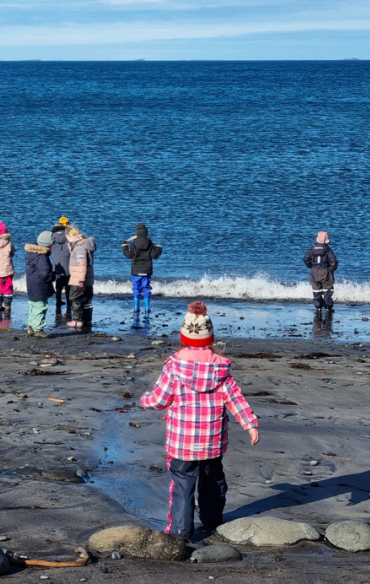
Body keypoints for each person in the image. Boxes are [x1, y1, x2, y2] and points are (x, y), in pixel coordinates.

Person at [140, 302, 259, 541]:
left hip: (182, 441)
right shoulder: (220, 368)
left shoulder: (174, 366)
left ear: (184, 337)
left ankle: (181, 530)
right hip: (212, 440)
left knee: (182, 484)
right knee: (212, 479)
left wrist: (145, 400)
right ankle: (212, 520)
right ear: (210, 338)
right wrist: (249, 424)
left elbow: (160, 399)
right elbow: (235, 398)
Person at [122, 223, 163, 314]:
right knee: (146, 289)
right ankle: (147, 308)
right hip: (146, 271)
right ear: (146, 233)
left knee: (136, 289)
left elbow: (129, 255)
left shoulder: (134, 244)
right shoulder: (150, 243)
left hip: (136, 272)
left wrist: (124, 246)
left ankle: (136, 308)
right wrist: (159, 247)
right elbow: (155, 255)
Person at [24, 231, 55, 337]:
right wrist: (54, 276)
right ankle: (38, 329)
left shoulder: (32, 253)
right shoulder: (42, 257)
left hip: (32, 286)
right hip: (40, 287)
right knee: (40, 307)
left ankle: (32, 327)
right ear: (48, 245)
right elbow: (45, 273)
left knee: (33, 306)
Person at [65, 226, 97, 329]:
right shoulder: (84, 245)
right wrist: (71, 251)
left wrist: (81, 279)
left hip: (79, 278)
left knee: (75, 298)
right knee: (87, 299)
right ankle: (87, 320)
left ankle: (77, 320)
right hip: (88, 278)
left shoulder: (79, 247)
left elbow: (82, 264)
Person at [303, 231, 338, 310]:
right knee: (328, 289)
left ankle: (318, 306)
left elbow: (306, 259)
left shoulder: (312, 248)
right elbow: (333, 261)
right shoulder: (328, 249)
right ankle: (328, 306)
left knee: (316, 290)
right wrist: (332, 269)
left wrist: (311, 266)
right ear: (327, 239)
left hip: (314, 271)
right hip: (325, 271)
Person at [50, 216, 72, 313]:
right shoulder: (69, 235)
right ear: (67, 224)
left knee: (58, 285)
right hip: (67, 264)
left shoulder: (52, 235)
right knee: (67, 285)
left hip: (56, 264)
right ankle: (69, 301)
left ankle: (58, 301)